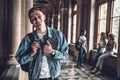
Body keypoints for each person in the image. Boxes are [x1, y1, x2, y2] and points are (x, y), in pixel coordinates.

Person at [15, 6, 69, 80]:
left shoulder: (58, 35)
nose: (37, 19)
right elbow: (19, 58)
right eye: (33, 18)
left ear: (44, 17)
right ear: (31, 22)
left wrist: (52, 52)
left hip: (53, 77)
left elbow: (65, 55)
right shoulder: (28, 38)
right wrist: (32, 54)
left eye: (39, 16)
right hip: (35, 77)